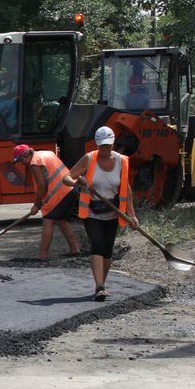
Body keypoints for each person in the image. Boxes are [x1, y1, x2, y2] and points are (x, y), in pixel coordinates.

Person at [63, 126, 140, 302]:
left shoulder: (122, 161)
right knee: (97, 245)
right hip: (91, 211)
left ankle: (102, 285)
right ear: (97, 144)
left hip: (112, 211)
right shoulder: (89, 159)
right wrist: (78, 183)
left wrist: (132, 215)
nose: (105, 149)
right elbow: (66, 178)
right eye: (102, 145)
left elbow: (126, 189)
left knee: (107, 250)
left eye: (108, 145)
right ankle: (99, 286)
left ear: (113, 143)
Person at [11, 144, 80, 260]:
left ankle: (43, 255)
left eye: (21, 160)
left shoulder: (34, 163)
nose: (22, 164)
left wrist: (36, 205)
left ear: (26, 155)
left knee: (48, 219)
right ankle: (74, 249)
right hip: (70, 189)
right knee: (60, 220)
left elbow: (41, 187)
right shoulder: (45, 153)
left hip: (62, 191)